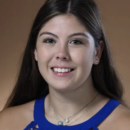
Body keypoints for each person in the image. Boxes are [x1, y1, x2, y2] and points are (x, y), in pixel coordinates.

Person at [0, 0, 130, 129]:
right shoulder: (6, 122)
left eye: (76, 42)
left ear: (97, 52)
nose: (61, 54)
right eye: (50, 40)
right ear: (35, 51)